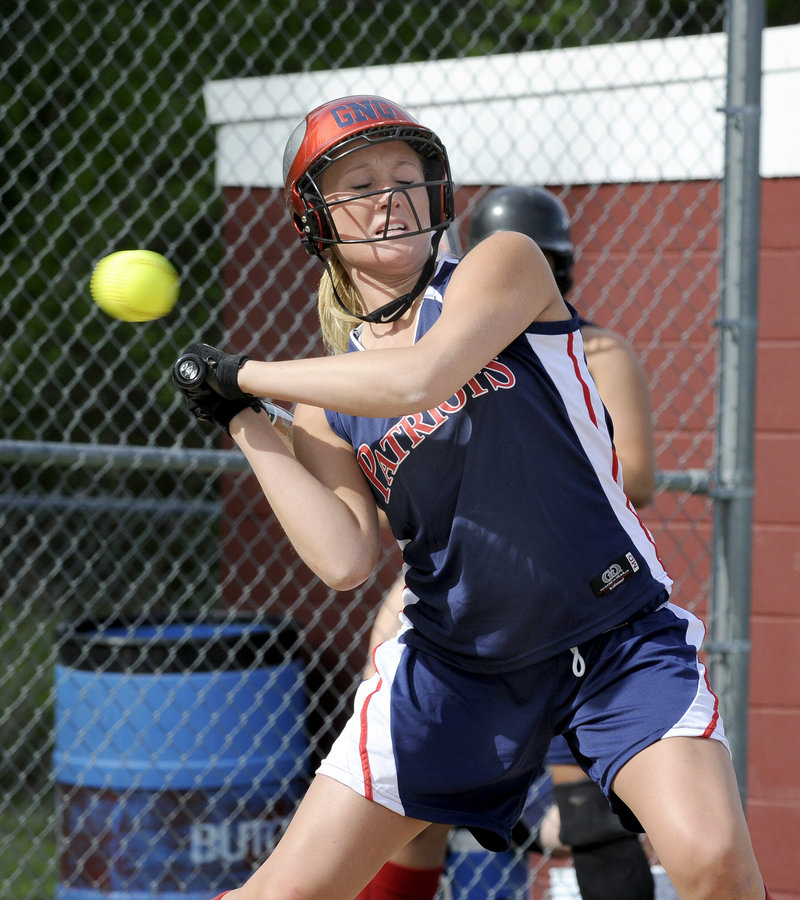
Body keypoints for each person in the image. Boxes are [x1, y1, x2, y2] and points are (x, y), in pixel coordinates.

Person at [173, 94, 771, 900]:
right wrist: (242, 419)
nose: (389, 197)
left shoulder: (501, 266)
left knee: (714, 865)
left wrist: (244, 373)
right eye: (357, 186)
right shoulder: (323, 397)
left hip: (616, 638)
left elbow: (419, 375)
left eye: (404, 177)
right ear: (317, 220)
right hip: (459, 667)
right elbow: (346, 559)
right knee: (280, 894)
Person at [360, 184, 658, 900]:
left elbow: (638, 473)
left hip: (572, 588)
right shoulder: (443, 355)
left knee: (591, 812)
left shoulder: (589, 346)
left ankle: (546, 818)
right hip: (466, 597)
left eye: (551, 272)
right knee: (412, 810)